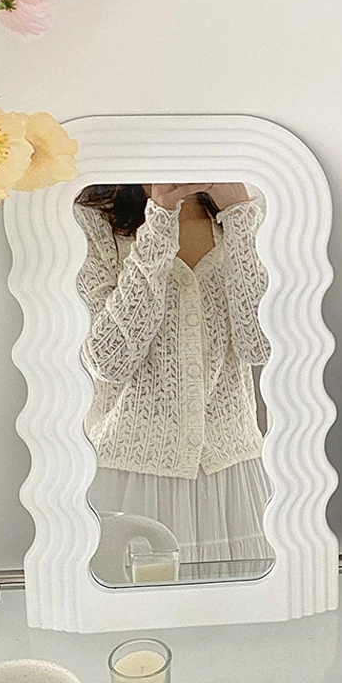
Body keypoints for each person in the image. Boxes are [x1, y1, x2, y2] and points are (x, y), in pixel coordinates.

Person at [73, 182, 274, 581]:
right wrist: (160, 218)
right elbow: (109, 359)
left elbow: (260, 346)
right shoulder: (93, 217)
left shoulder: (250, 208)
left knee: (238, 613)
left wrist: (239, 215)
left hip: (233, 473)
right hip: (134, 476)